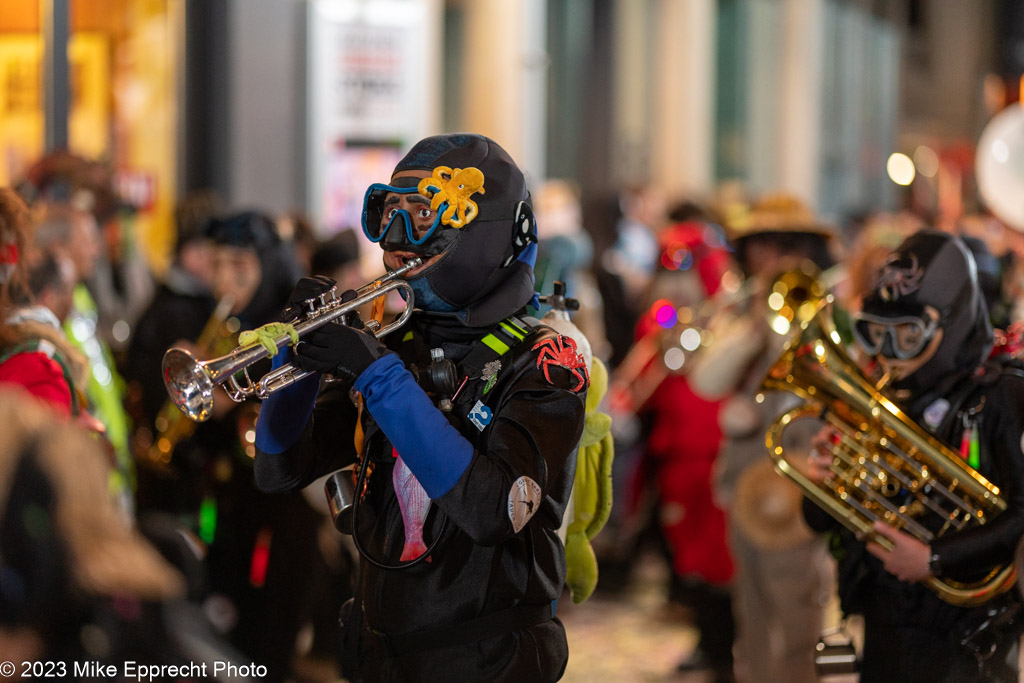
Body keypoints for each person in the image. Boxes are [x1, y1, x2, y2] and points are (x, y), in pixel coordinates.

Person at [254, 133, 588, 682]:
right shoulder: (390, 342)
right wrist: (296, 361)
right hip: (378, 655)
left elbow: (492, 509)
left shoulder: (547, 358)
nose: (398, 239)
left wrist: (378, 377)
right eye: (391, 213)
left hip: (485, 660)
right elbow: (279, 469)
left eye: (423, 215)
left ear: (485, 229)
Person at [804, 229, 1024, 682]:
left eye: (907, 335)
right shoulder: (881, 394)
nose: (889, 356)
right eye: (875, 335)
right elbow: (821, 522)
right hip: (887, 620)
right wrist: (822, 483)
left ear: (951, 322)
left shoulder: (1001, 396)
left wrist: (934, 558)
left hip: (968, 638)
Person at [687, 193, 837, 683]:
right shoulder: (740, 307)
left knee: (800, 623)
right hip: (745, 484)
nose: (769, 258)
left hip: (800, 484)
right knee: (749, 618)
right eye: (760, 245)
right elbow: (705, 380)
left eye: (784, 246)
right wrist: (754, 322)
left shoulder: (827, 310)